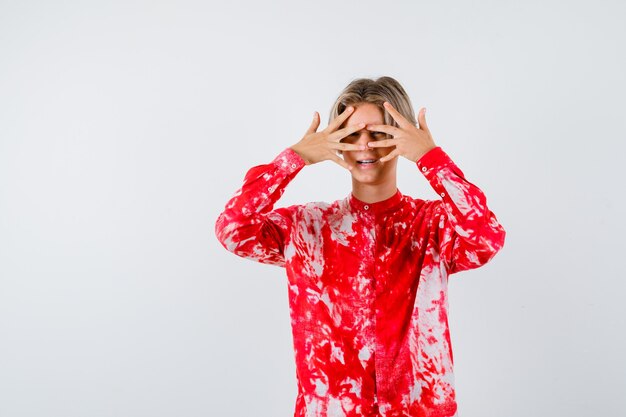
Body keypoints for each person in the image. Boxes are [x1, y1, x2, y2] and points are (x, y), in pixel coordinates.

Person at [215, 76, 506, 417]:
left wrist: (431, 157)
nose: (365, 146)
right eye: (352, 135)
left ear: (403, 138)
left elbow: (485, 235)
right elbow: (233, 228)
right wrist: (293, 159)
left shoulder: (433, 226)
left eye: (379, 134)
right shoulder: (305, 227)